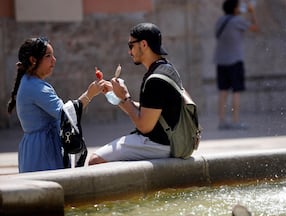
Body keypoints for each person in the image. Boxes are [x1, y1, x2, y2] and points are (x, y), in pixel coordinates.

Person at [88, 22, 183, 165]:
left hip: (159, 144)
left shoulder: (155, 80)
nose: (129, 51)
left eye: (131, 46)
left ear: (143, 44)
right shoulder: (167, 68)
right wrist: (117, 97)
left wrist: (125, 96)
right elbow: (151, 110)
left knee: (95, 161)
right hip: (170, 139)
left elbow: (144, 125)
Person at [7, 37, 106, 173]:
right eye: (48, 56)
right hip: (42, 151)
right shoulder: (35, 87)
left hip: (34, 147)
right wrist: (90, 94)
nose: (54, 60)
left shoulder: (29, 82)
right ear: (33, 60)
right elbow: (65, 114)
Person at [213, 0, 259, 130]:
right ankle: (235, 121)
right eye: (238, 6)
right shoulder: (238, 21)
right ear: (234, 9)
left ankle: (221, 121)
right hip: (234, 60)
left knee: (222, 91)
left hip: (220, 60)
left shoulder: (220, 21)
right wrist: (252, 12)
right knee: (236, 91)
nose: (240, 8)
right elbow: (256, 28)